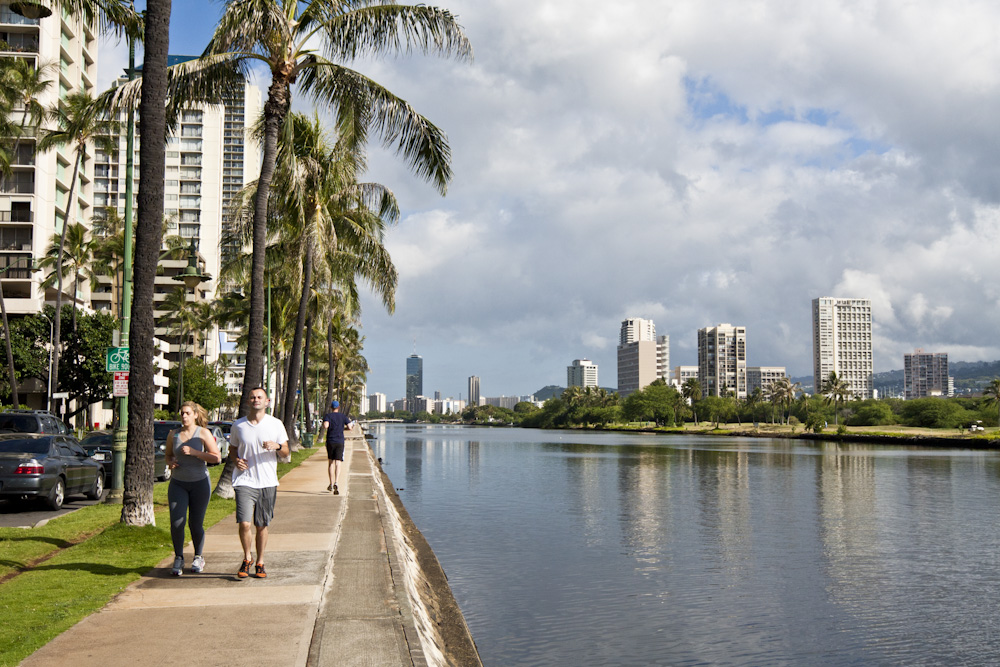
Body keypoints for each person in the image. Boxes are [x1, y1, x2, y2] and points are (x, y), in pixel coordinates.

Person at [230, 386, 289, 579]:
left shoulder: (276, 424)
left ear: (267, 402)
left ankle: (261, 562)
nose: (256, 400)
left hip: (267, 481)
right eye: (252, 397)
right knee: (245, 524)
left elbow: (286, 452)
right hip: (244, 480)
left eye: (259, 397)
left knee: (262, 524)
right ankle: (247, 558)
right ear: (248, 402)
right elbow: (232, 448)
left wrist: (277, 446)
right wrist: (235, 460)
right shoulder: (238, 425)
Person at [165, 401, 221, 576]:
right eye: (182, 413)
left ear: (195, 415)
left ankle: (198, 556)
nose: (184, 416)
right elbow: (167, 455)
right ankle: (179, 557)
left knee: (195, 524)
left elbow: (216, 458)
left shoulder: (203, 433)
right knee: (177, 522)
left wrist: (196, 453)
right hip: (178, 483)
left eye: (188, 413)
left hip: (199, 483)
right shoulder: (173, 434)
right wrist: (170, 462)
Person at [321, 400, 355, 494]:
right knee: (338, 462)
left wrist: (326, 424)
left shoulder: (328, 416)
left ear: (331, 408)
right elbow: (349, 427)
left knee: (331, 462)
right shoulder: (343, 417)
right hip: (340, 441)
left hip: (330, 441)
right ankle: (336, 481)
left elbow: (326, 426)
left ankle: (331, 484)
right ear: (339, 407)